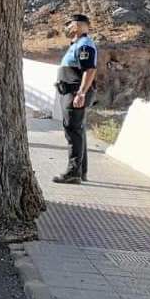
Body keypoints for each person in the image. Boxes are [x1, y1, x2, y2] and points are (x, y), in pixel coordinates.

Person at [53, 13, 98, 185]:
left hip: (74, 93)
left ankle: (73, 172)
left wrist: (81, 93)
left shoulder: (85, 44)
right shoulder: (77, 44)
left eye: (69, 24)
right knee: (77, 129)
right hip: (70, 92)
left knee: (73, 130)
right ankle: (80, 171)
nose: (67, 28)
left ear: (78, 25)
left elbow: (89, 70)